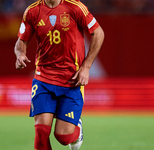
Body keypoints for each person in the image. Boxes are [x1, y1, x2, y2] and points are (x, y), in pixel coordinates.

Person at [14, 0, 104, 149]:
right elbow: (21, 41)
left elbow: (98, 33)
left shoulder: (75, 7)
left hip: (71, 80)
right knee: (41, 130)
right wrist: (20, 54)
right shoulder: (32, 11)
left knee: (63, 137)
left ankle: (77, 128)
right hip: (43, 78)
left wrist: (86, 67)